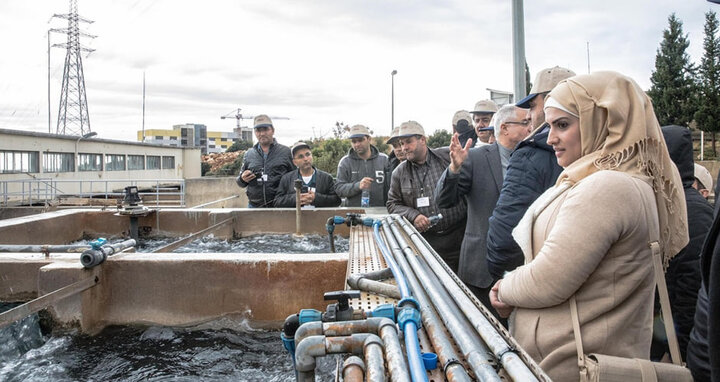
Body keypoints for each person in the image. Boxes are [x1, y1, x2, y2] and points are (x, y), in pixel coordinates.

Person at [490, 72, 689, 381]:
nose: (550, 137)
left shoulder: (607, 187)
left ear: (602, 123)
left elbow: (549, 279)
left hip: (575, 366)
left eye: (563, 125)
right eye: (550, 125)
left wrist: (505, 287)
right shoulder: (597, 178)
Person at [435, 104, 531, 319]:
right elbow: (443, 201)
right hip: (481, 270)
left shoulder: (534, 158)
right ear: (505, 128)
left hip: (523, 269)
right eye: (525, 123)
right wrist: (454, 169)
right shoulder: (476, 158)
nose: (531, 128)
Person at [486, 66, 575, 279]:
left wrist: (508, 283)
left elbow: (504, 240)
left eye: (533, 106)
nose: (530, 115)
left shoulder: (531, 154)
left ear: (553, 100)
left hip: (539, 283)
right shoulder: (605, 150)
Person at [656, 125, 713, 364]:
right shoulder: (669, 203)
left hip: (679, 345)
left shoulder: (693, 212)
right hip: (664, 334)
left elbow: (692, 287)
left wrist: (675, 349)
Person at [387, 121, 467, 272]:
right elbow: (392, 204)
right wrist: (414, 215)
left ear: (422, 140)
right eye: (402, 143)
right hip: (427, 243)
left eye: (408, 142)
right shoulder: (399, 173)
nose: (404, 148)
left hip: (460, 237)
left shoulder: (446, 157)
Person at [235, 115, 293, 208]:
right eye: (258, 130)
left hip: (280, 206)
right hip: (254, 207)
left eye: (265, 129)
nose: (262, 133)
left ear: (273, 130)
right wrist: (242, 179)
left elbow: (295, 177)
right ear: (255, 132)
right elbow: (240, 182)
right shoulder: (249, 154)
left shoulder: (286, 152)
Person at [335, 124, 391, 207]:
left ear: (369, 139)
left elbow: (392, 187)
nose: (357, 144)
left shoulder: (384, 160)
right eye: (354, 141)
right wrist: (358, 186)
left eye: (361, 140)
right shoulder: (345, 162)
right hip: (354, 213)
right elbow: (339, 189)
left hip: (380, 212)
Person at [274, 142, 341, 208]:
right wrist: (296, 198)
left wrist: (316, 198)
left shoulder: (326, 178)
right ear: (294, 162)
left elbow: (337, 200)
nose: (306, 159)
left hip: (319, 218)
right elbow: (277, 201)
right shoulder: (287, 179)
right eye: (300, 156)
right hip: (295, 218)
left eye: (308, 154)